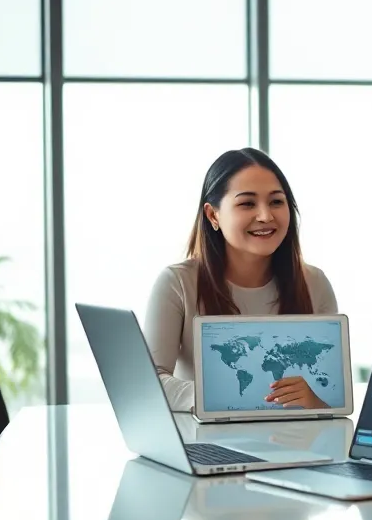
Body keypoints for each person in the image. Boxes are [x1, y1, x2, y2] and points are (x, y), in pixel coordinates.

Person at [145, 148, 338, 413]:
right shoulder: (177, 283)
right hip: (207, 443)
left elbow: (332, 393)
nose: (265, 216)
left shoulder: (314, 282)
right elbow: (150, 382)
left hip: (295, 443)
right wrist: (228, 395)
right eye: (247, 203)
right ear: (213, 215)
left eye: (276, 202)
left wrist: (316, 400)